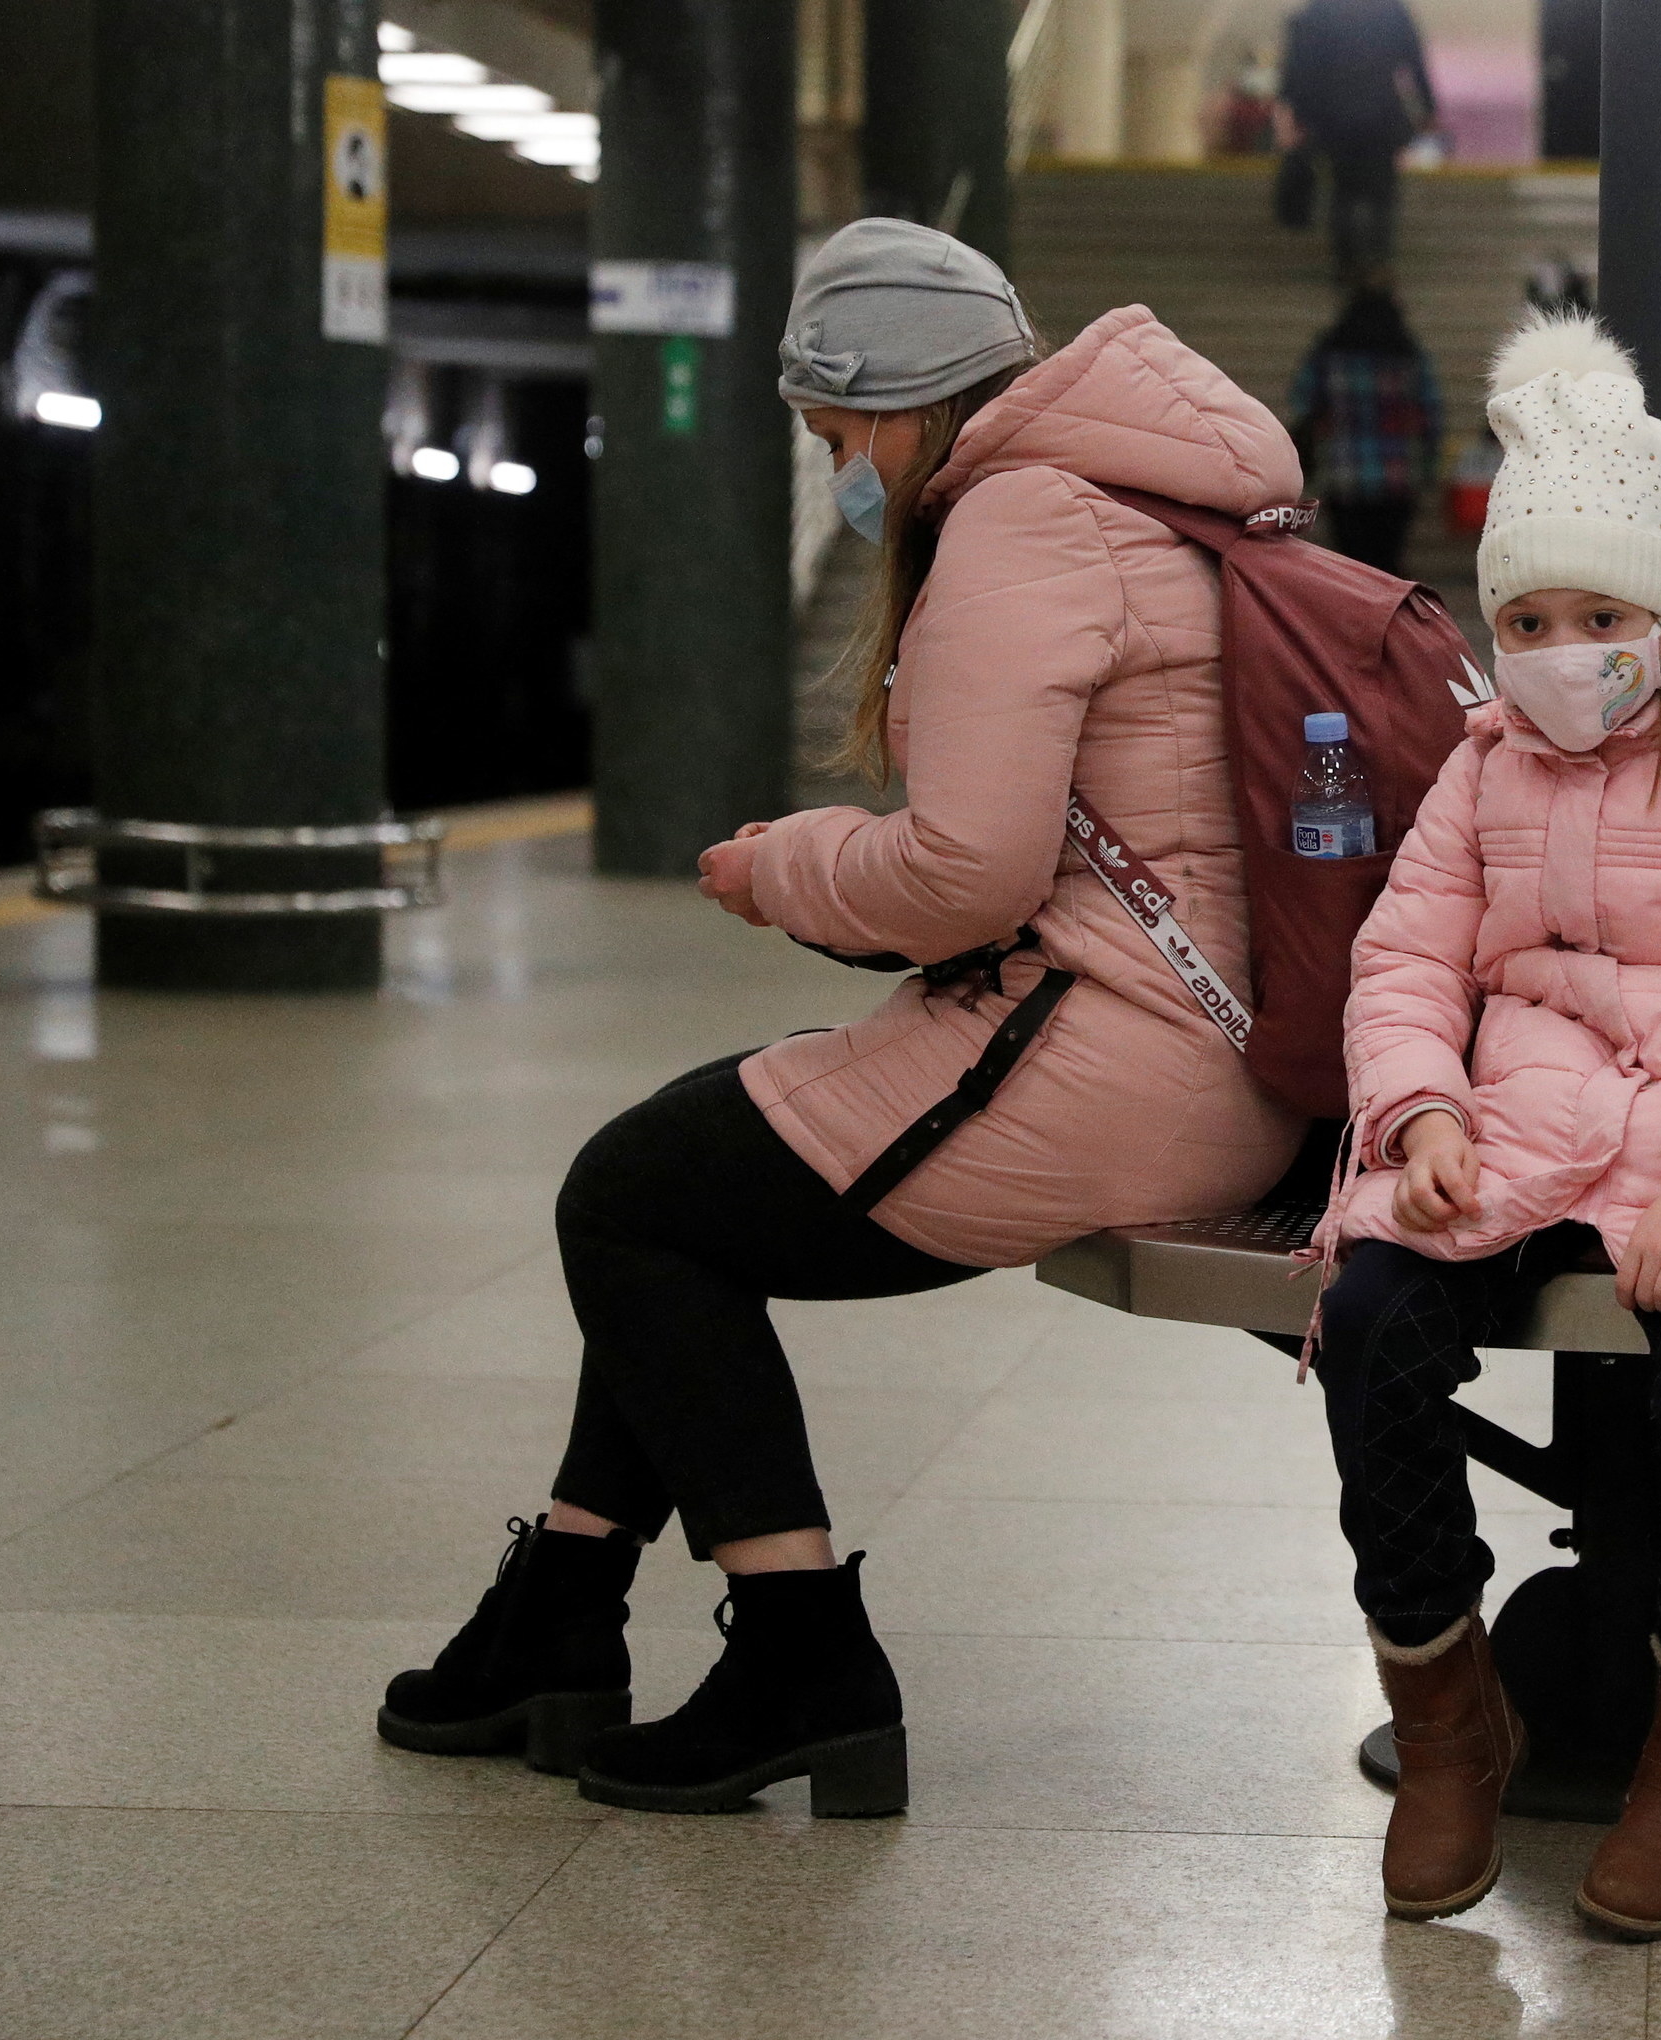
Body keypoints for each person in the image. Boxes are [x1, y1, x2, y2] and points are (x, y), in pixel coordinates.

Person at [372, 220, 1311, 1816]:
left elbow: (965, 870)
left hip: (1113, 1057)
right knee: (683, 1177)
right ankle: (563, 1614)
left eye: (829, 435)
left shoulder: (1020, 522)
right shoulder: (1169, 492)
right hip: (1227, 1047)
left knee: (634, 1198)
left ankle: (801, 1649)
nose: (838, 473)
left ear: (890, 402)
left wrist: (780, 865)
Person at [1307, 313, 1661, 1938]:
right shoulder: (1483, 772)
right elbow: (1404, 959)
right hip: (1516, 1124)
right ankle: (1445, 1711)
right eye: (1531, 617)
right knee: (1373, 1317)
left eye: (1600, 614)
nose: (1565, 646)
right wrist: (1415, 1114)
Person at [1288, 276, 1443, 574]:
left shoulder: (1328, 355)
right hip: (1397, 475)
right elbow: (1429, 413)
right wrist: (1429, 463)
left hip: (1344, 473)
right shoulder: (1408, 354)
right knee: (1388, 562)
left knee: (1354, 564)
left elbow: (1301, 401)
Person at [1280, 0, 1436, 284]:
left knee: (1344, 191)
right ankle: (1378, 260)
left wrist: (1300, 114)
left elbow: (1299, 66)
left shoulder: (1319, 11)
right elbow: (1414, 59)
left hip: (1334, 118)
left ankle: (1348, 261)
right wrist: (1428, 107)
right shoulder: (1389, 10)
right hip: (1380, 114)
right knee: (1382, 193)